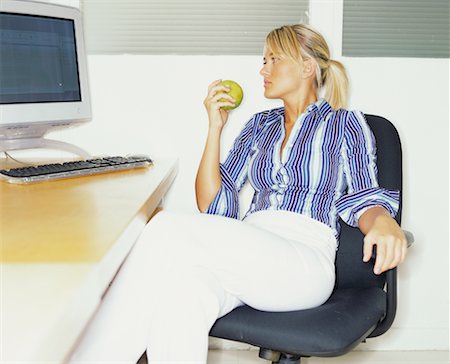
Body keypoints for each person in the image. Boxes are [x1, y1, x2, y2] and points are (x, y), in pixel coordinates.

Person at [69, 24, 407, 364]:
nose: (263, 70)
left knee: (163, 228)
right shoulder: (259, 124)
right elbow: (216, 206)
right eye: (264, 60)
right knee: (181, 293)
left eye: (274, 60)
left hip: (303, 261)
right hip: (252, 249)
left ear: (306, 68)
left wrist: (383, 223)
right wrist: (215, 127)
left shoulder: (344, 123)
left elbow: (365, 194)